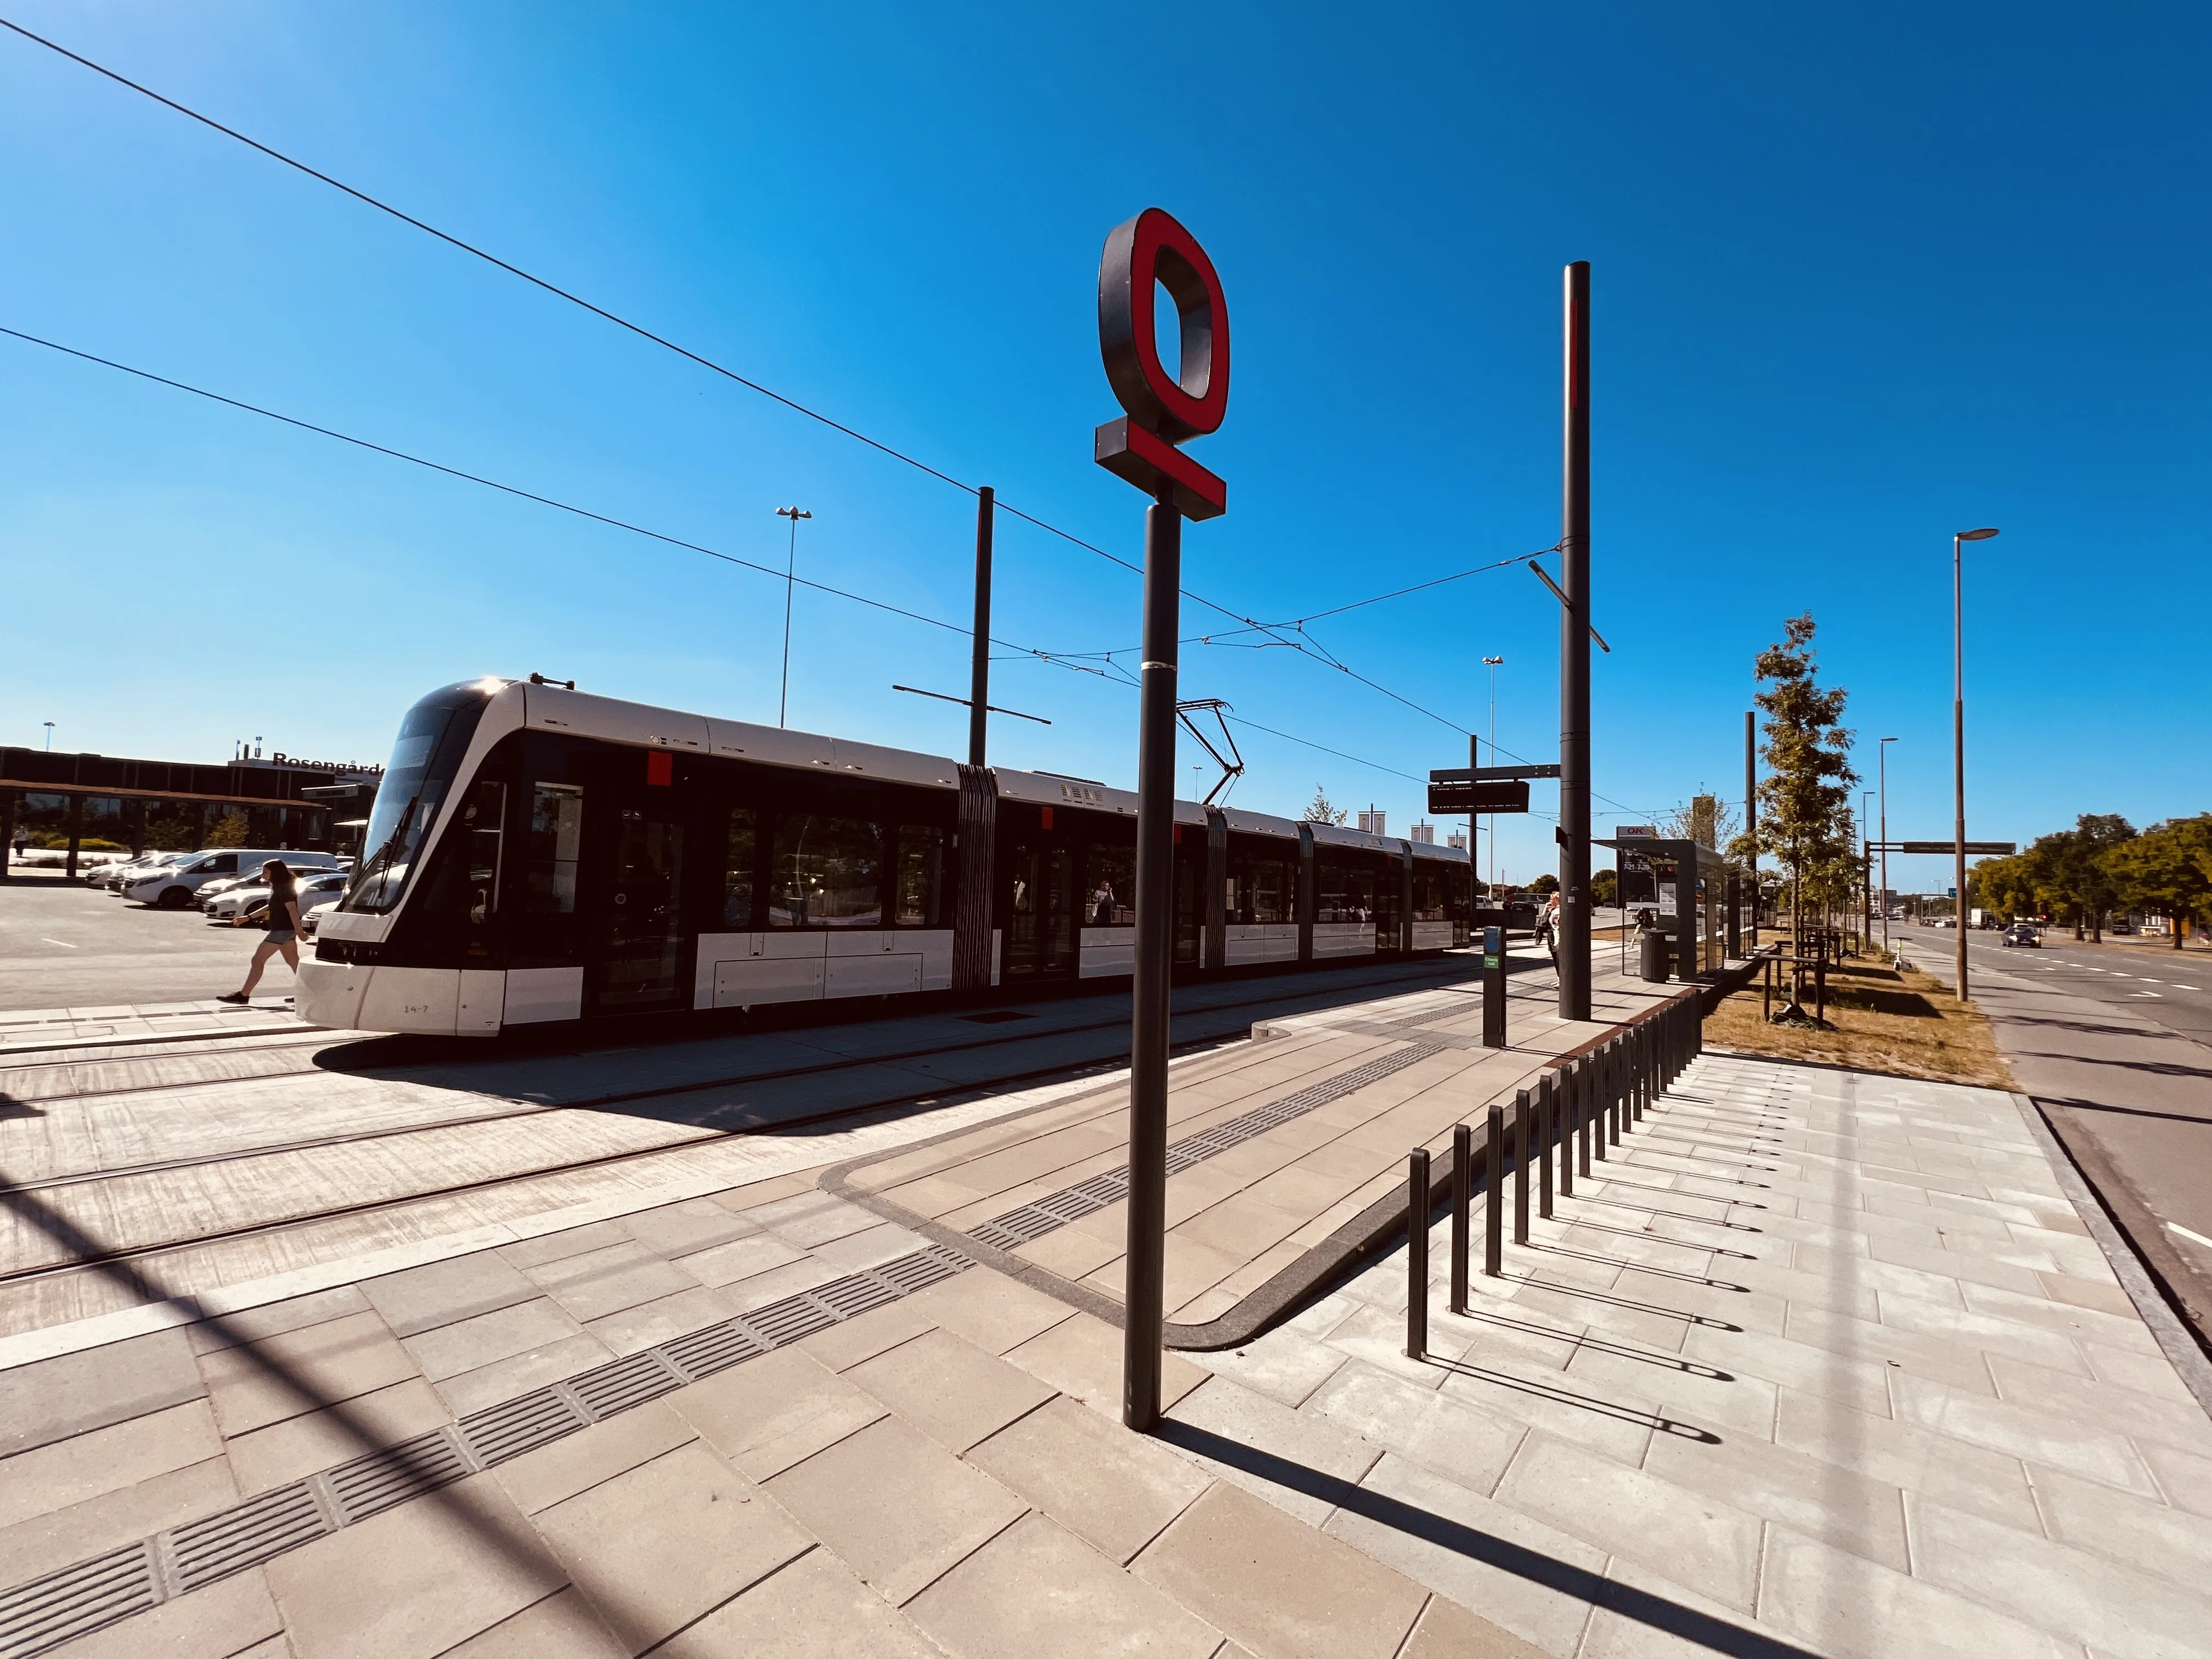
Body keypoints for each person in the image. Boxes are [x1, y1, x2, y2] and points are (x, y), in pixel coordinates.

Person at [218, 860, 303, 1005]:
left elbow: (293, 910)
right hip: (284, 930)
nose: (263, 875)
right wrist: (248, 917)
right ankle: (306, 994)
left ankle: (244, 996)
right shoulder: (278, 887)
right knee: (294, 962)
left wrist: (300, 931)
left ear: (275, 873)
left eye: (266, 872)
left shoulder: (284, 888)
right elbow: (269, 907)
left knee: (257, 960)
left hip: (281, 931)